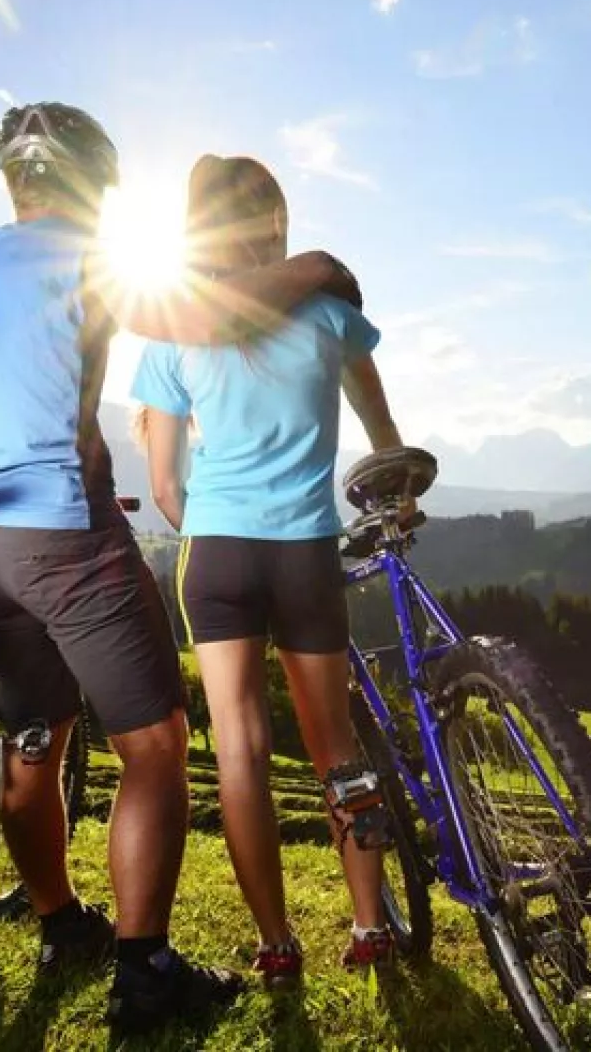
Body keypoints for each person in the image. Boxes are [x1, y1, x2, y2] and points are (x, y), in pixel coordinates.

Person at [0, 102, 364, 1034]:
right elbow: (212, 320)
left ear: (13, 182)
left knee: (34, 735)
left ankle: (61, 924)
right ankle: (144, 972)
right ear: (95, 185)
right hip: (67, 535)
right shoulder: (84, 254)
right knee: (156, 744)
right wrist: (313, 269)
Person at [130, 154, 405, 989]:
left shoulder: (173, 331)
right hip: (305, 552)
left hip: (216, 555)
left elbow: (168, 486)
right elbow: (379, 426)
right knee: (337, 748)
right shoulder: (328, 313)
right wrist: (392, 471)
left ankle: (278, 945)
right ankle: (369, 924)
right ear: (275, 223)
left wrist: (215, 525)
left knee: (242, 754)